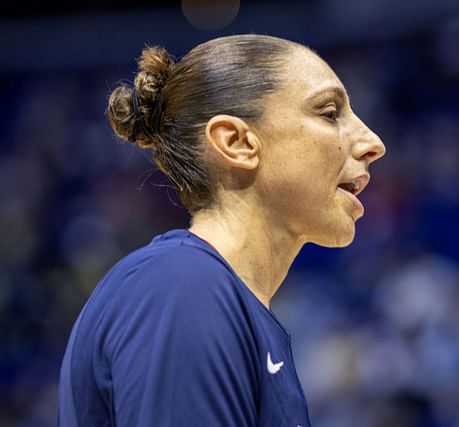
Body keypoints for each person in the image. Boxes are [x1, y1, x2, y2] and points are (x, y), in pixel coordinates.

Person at [57, 34, 385, 427]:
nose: (373, 143)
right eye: (330, 113)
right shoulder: (183, 288)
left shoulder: (217, 299)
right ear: (236, 142)